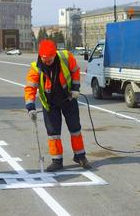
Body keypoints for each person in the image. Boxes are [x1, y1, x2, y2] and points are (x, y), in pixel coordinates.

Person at [24, 39, 91, 172]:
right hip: (50, 104)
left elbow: (75, 71)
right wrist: (30, 107)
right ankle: (57, 160)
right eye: (45, 60)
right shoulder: (36, 67)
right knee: (53, 133)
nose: (47, 62)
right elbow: (30, 88)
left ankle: (80, 156)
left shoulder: (66, 57)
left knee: (75, 129)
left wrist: (75, 88)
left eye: (49, 59)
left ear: (55, 54)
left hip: (68, 99)